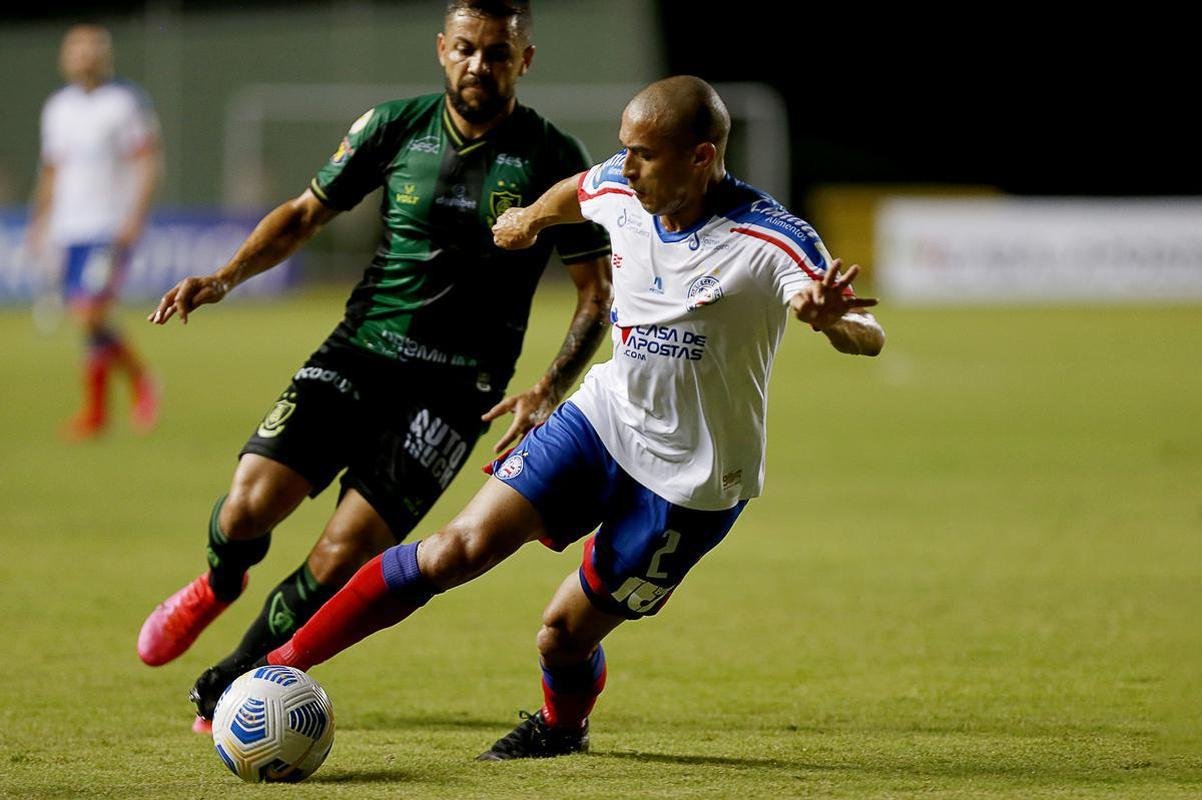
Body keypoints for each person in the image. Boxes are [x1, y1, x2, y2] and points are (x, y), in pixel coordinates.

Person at [230, 75, 885, 760]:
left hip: (691, 481)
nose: (627, 168)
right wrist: (532, 219)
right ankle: (280, 665)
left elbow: (865, 332)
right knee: (457, 549)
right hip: (603, 419)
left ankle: (562, 729)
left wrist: (831, 321)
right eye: (624, 149)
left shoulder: (771, 236)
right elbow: (580, 187)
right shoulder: (621, 186)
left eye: (645, 154)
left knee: (562, 635)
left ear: (701, 157)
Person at [135, 0, 613, 734]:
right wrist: (221, 278)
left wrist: (550, 386)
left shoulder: (554, 160)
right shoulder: (394, 126)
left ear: (525, 60)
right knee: (248, 505)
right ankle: (218, 582)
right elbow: (302, 215)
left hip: (456, 393)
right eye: (464, 48)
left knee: (346, 549)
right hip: (360, 352)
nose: (478, 65)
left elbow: (595, 292)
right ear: (441, 49)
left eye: (495, 52)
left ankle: (236, 681)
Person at [27, 23, 161, 440]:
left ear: (105, 55)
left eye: (92, 48)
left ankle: (138, 382)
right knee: (85, 319)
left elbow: (147, 160)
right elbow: (52, 169)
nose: (84, 56)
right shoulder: (57, 107)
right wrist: (39, 219)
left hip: (109, 225)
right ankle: (99, 413)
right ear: (65, 57)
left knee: (90, 313)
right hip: (70, 228)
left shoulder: (124, 102)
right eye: (77, 49)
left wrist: (135, 215)